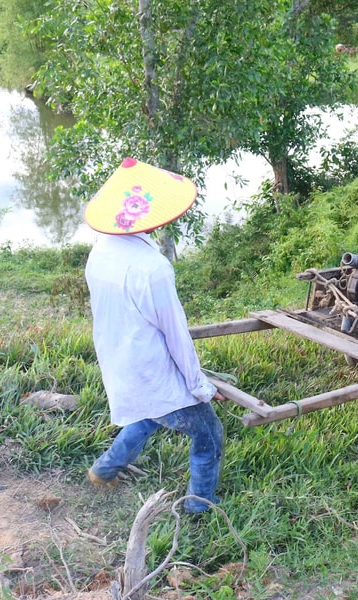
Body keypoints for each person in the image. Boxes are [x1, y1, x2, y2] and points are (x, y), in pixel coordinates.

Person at [82, 157, 225, 514]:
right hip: (153, 369)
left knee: (146, 415)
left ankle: (104, 470)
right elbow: (176, 336)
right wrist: (201, 387)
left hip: (121, 364)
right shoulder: (152, 268)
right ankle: (199, 505)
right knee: (208, 435)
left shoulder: (100, 251)